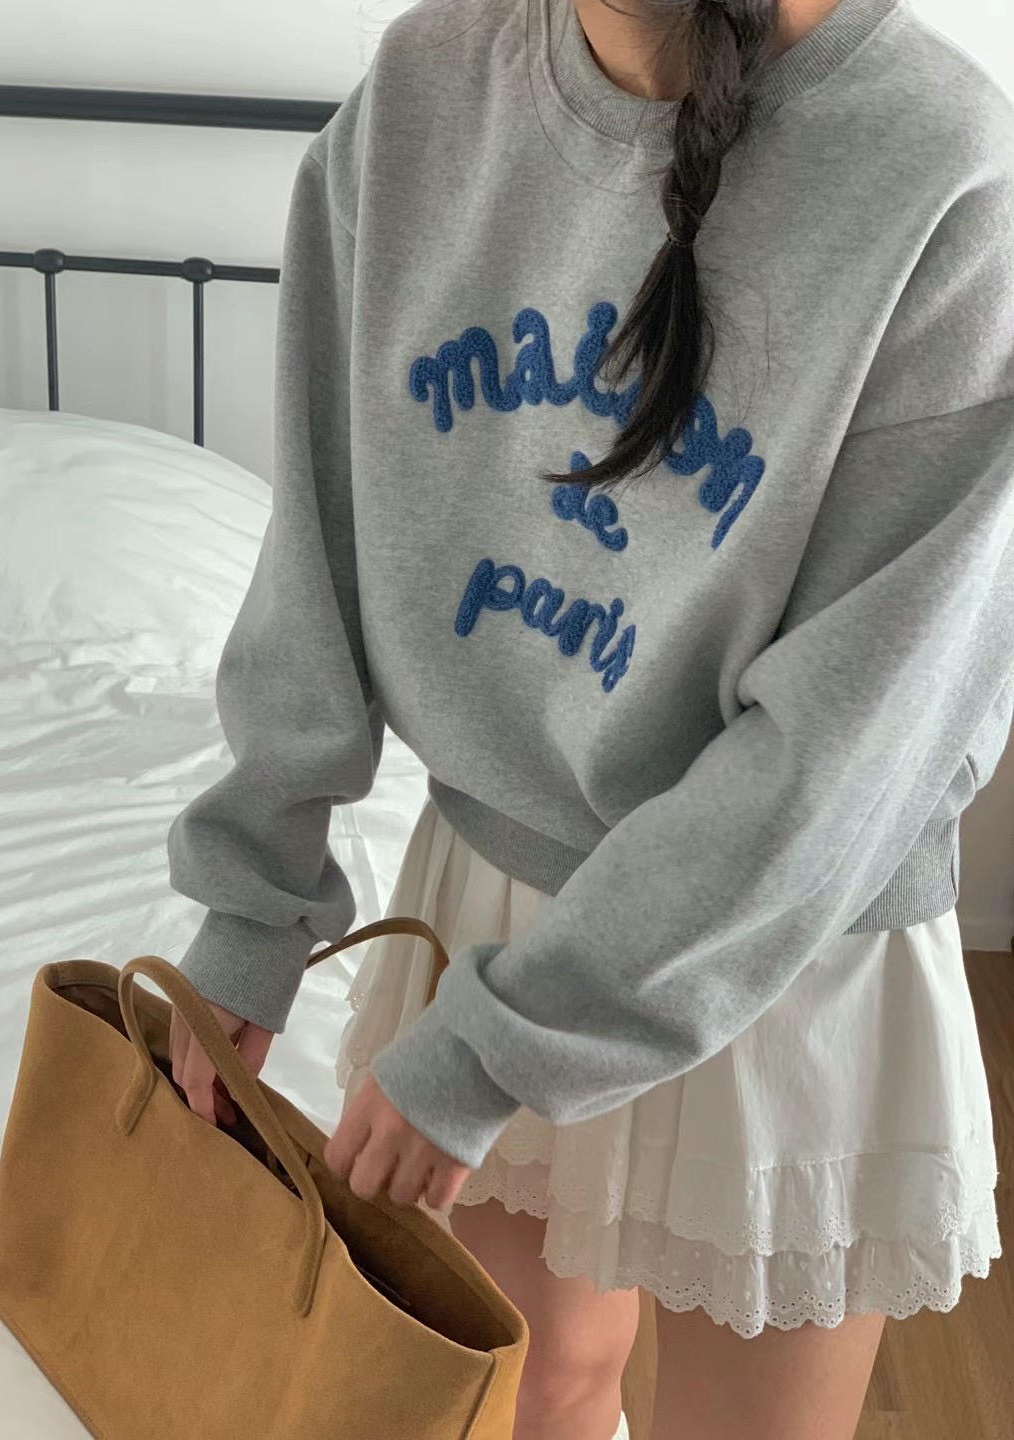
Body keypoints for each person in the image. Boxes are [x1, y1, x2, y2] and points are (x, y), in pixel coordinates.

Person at [165, 2, 1014, 1437]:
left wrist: (500, 1047)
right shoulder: (430, 87)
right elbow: (318, 530)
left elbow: (845, 759)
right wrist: (256, 892)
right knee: (529, 1403)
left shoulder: (946, 174)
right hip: (491, 895)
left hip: (783, 945)